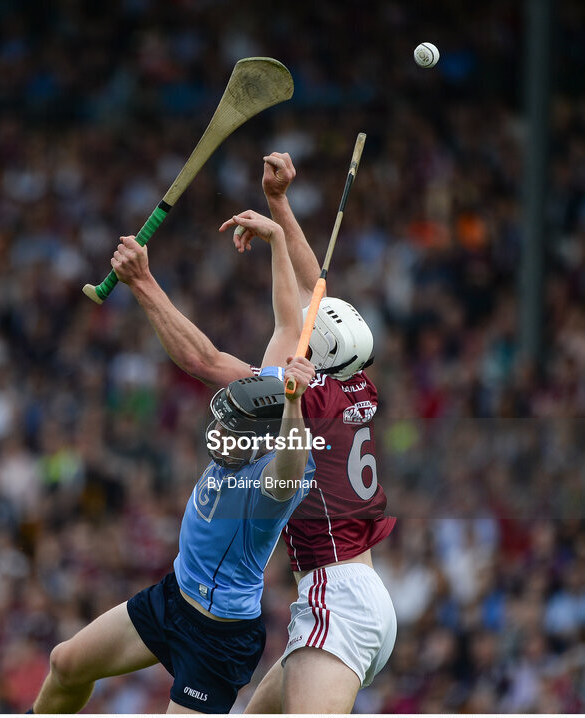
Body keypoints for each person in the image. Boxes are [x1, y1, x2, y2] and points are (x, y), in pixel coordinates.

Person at [111, 152, 396, 713]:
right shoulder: (357, 384)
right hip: (362, 595)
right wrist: (278, 207)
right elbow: (310, 303)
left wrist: (143, 282)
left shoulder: (297, 399)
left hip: (334, 595)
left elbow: (203, 358)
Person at [33, 210, 317, 715]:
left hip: (218, 636)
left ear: (260, 437)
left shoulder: (277, 477)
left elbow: (292, 463)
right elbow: (286, 323)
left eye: (230, 428)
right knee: (65, 663)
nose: (219, 431)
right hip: (174, 597)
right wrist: (275, 236)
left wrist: (295, 404)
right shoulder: (264, 394)